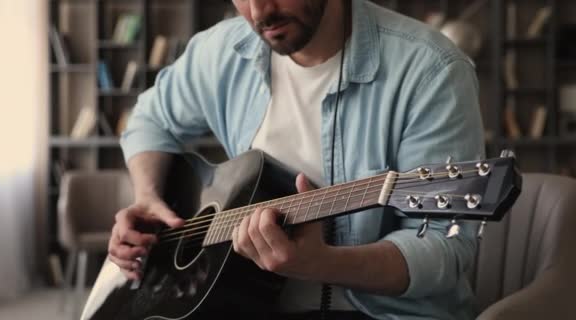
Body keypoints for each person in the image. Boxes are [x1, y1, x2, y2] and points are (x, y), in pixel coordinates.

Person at [107, 0, 485, 319]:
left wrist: (323, 263)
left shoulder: (431, 70)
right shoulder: (222, 51)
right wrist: (148, 197)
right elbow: (149, 121)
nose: (259, 12)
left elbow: (444, 246)